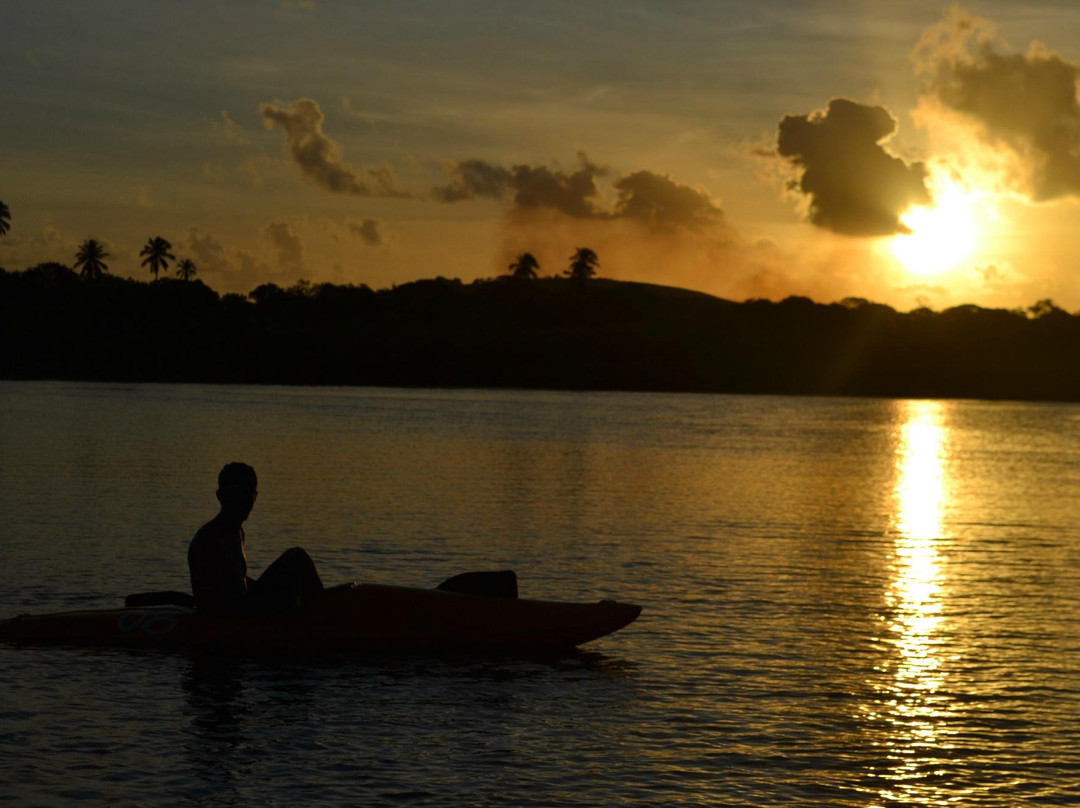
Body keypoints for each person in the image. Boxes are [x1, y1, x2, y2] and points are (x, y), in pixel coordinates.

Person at [188, 462, 324, 616]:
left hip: (242, 609)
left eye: (247, 494)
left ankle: (320, 611)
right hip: (229, 619)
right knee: (297, 557)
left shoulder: (237, 532)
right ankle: (325, 614)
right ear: (220, 496)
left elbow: (237, 581)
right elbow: (215, 599)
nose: (242, 501)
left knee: (293, 572)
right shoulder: (209, 539)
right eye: (235, 494)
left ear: (255, 496)